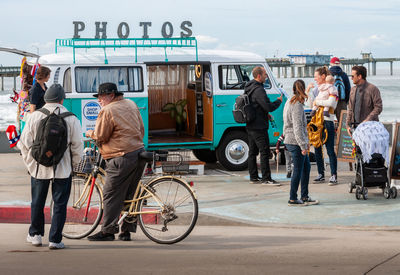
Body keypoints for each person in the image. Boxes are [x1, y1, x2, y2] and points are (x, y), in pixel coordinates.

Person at [18, 84, 83, 249]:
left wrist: (30, 163)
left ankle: (36, 235)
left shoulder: (34, 116)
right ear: (62, 99)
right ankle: (55, 240)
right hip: (63, 168)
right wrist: (73, 165)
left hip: (39, 168)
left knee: (37, 202)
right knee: (60, 204)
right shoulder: (71, 118)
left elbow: (24, 143)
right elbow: (77, 146)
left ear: (46, 98)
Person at [86, 82, 146, 242]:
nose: (99, 100)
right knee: (130, 194)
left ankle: (108, 231)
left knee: (111, 193)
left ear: (111, 96)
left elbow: (101, 136)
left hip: (121, 156)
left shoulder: (108, 110)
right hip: (139, 152)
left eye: (101, 96)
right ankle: (126, 231)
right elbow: (141, 128)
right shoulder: (131, 104)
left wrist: (89, 133)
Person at [283, 80, 319, 206]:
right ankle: (293, 198)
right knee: (298, 170)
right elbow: (297, 127)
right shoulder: (297, 104)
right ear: (303, 90)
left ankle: (304, 196)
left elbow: (286, 122)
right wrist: (303, 145)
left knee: (305, 168)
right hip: (296, 142)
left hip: (291, 140)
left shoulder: (289, 101)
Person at [245, 66, 282, 185]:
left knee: (252, 152)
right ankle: (266, 178)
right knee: (264, 151)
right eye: (265, 75)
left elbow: (255, 105)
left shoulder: (249, 87)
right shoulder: (259, 90)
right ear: (259, 76)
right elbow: (268, 106)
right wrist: (278, 101)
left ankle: (254, 176)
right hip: (259, 126)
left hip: (250, 124)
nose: (266, 77)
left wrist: (266, 115)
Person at [307, 67, 338, 185]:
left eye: (317, 76)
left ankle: (334, 175)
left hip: (328, 121)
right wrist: (310, 92)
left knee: (330, 149)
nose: (315, 79)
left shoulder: (333, 88)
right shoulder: (318, 90)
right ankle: (321, 174)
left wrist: (317, 102)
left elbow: (331, 104)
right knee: (317, 148)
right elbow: (311, 104)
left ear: (323, 76)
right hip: (317, 121)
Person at [346, 65, 383, 135]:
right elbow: (350, 109)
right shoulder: (353, 90)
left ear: (359, 76)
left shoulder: (373, 89)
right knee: (356, 146)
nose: (351, 78)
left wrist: (367, 121)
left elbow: (378, 107)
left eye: (353, 76)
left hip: (370, 128)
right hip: (355, 128)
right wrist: (347, 125)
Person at [329, 57, 351, 121]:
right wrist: (346, 101)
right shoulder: (344, 74)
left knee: (329, 121)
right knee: (343, 122)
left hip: (330, 100)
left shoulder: (328, 74)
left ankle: (331, 131)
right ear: (339, 64)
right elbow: (348, 89)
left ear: (331, 63)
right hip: (342, 101)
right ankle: (343, 131)